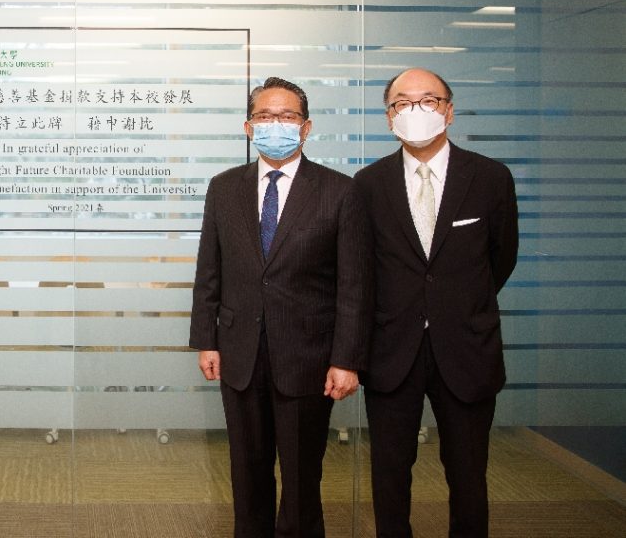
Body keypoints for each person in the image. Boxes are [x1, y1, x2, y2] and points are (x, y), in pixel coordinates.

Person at [190, 76, 372, 538]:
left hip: (309, 358)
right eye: (266, 117)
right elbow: (209, 270)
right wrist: (206, 340)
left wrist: (346, 359)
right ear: (249, 127)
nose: (277, 125)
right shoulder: (224, 188)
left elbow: (354, 284)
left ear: (306, 127)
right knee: (247, 473)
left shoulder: (340, 191)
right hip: (239, 353)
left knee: (301, 478)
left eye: (288, 117)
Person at [353, 68, 519, 538]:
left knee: (468, 478)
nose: (415, 111)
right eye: (402, 103)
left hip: (466, 349)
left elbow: (500, 260)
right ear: (389, 118)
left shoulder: (489, 178)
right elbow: (364, 269)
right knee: (389, 478)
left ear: (448, 109)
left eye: (428, 100)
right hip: (392, 351)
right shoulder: (368, 184)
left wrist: (457, 306)